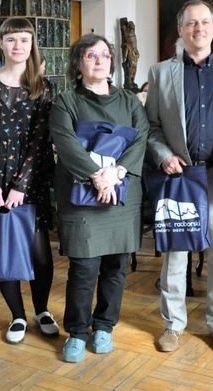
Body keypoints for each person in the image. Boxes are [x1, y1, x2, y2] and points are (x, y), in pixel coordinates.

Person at [146, 0, 213, 354]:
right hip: (180, 179)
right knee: (176, 255)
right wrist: (163, 157)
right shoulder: (161, 73)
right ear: (181, 30)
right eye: (191, 23)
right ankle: (173, 325)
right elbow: (152, 127)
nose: (199, 28)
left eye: (205, 22)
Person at [50, 33, 149, 362]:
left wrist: (115, 174)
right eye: (91, 56)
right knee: (83, 267)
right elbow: (66, 143)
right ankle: (77, 331)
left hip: (122, 194)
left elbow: (141, 138)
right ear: (78, 63)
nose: (99, 61)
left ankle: (105, 325)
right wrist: (97, 175)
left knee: (116, 267)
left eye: (104, 55)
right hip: (81, 196)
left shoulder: (130, 101)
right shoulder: (66, 101)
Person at [0, 17, 57, 345]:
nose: (18, 46)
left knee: (39, 254)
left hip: (30, 180)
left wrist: (20, 185)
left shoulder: (43, 87)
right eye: (11, 40)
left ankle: (41, 309)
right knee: (4, 250)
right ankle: (17, 315)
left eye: (24, 40)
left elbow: (40, 139)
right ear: (1, 43)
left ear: (32, 44)